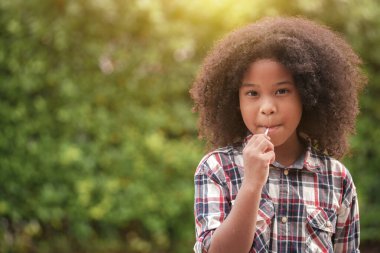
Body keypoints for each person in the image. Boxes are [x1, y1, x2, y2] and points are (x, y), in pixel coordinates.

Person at [190, 16, 367, 253]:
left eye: (282, 91)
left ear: (307, 94)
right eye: (252, 93)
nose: (267, 107)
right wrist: (251, 184)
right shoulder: (217, 168)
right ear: (235, 101)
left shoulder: (337, 178)